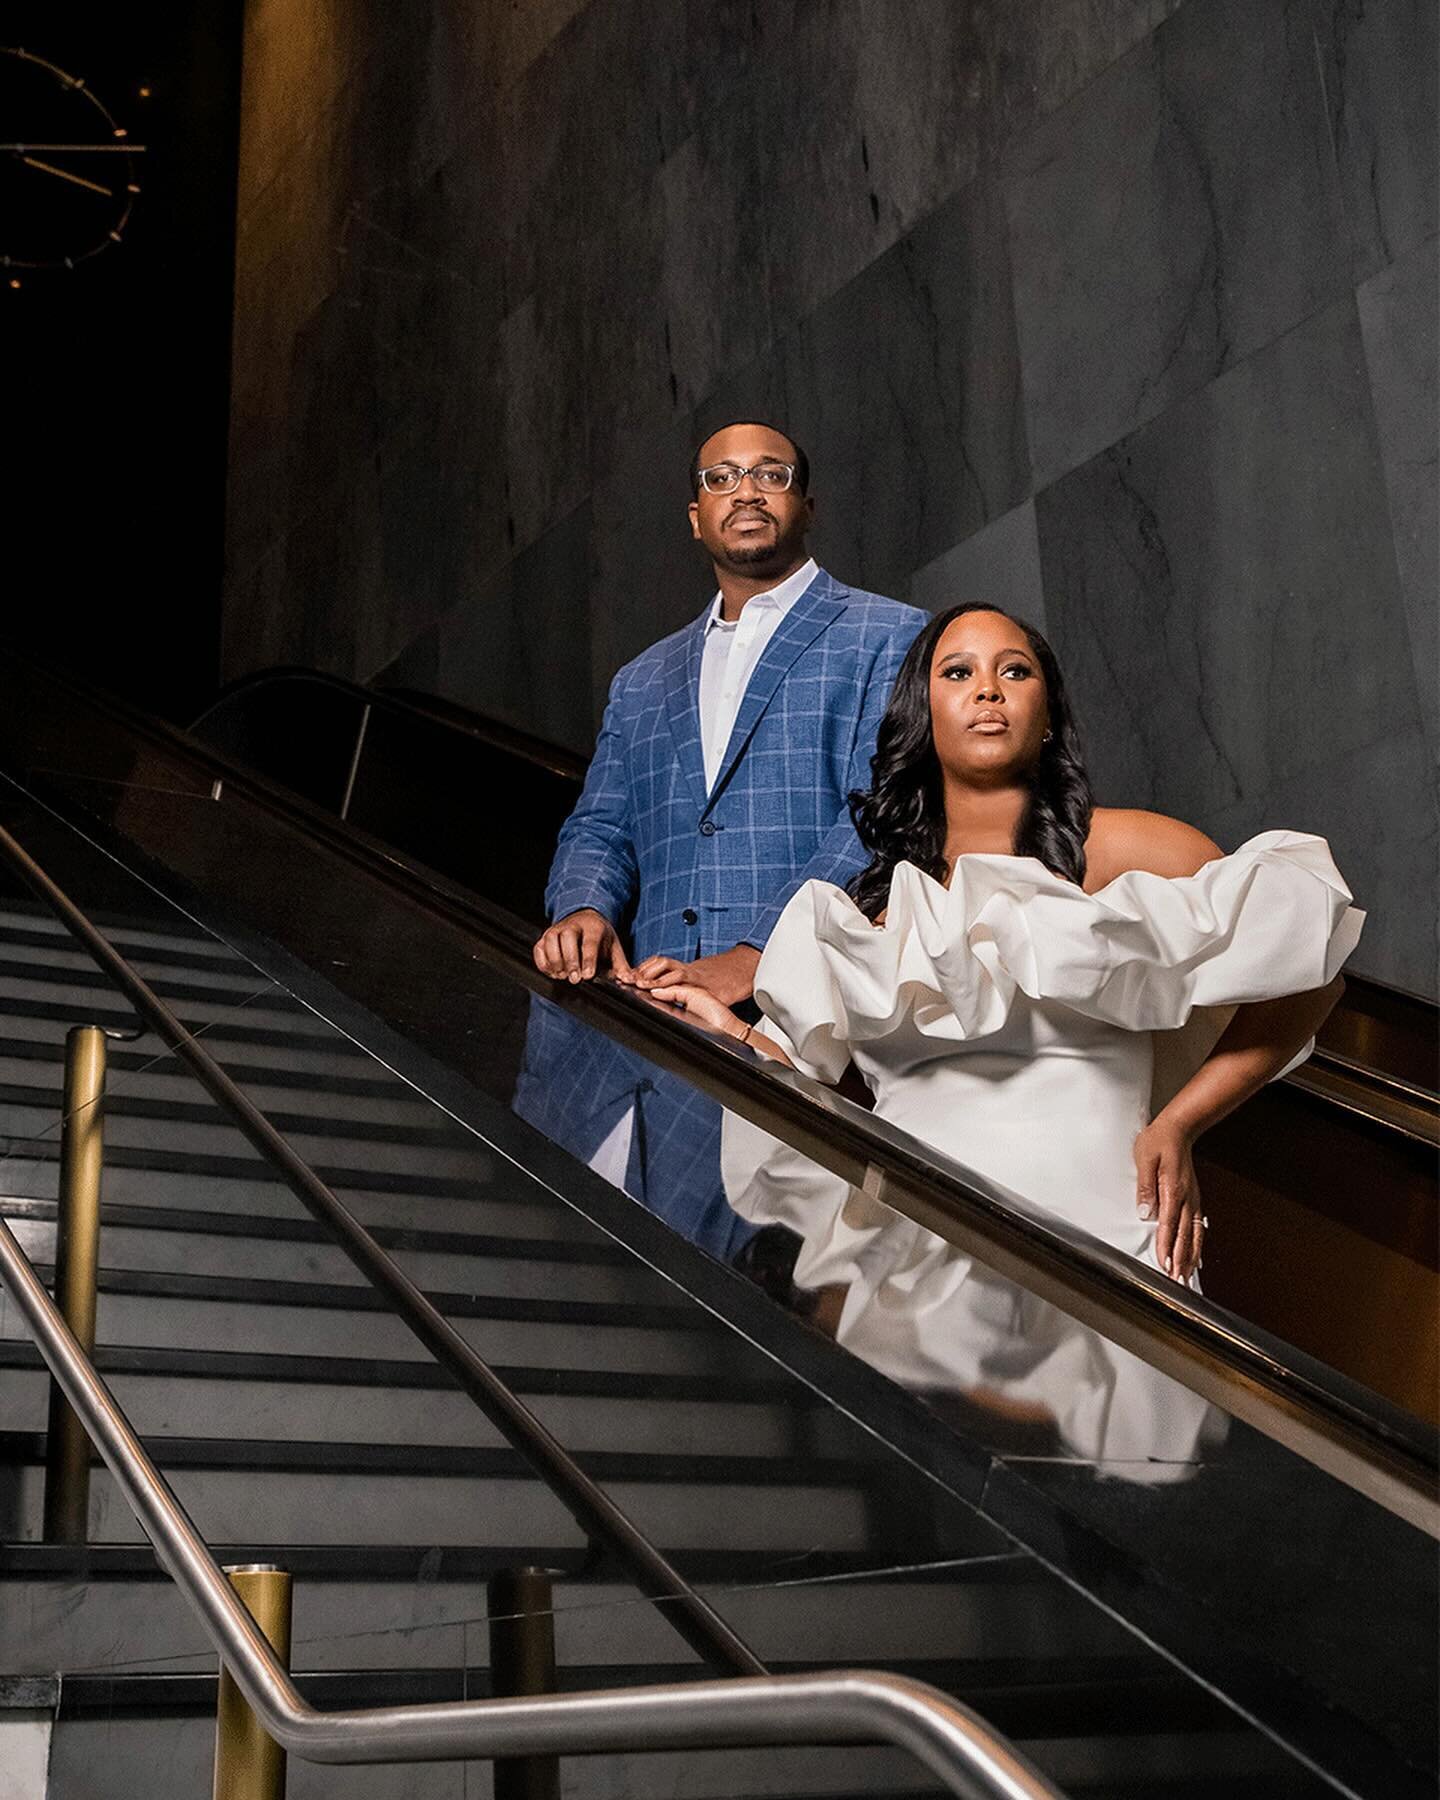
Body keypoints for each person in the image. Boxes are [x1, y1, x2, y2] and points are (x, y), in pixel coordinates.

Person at [646, 603, 1362, 1452]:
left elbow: (1311, 966)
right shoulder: (865, 915)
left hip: (1110, 1249)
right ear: (922, 710)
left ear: (1047, 710)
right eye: (958, 672)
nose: (988, 689)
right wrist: (724, 1034)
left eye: (1014, 670)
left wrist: (1180, 1122)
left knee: (1127, 1523)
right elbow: (805, 1100)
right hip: (919, 1272)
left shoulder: (1128, 851)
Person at [515, 421, 926, 1262]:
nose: (745, 489)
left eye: (769, 473)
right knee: (569, 1272)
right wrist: (585, 904)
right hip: (619, 1025)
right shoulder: (642, 679)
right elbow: (601, 821)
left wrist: (756, 957)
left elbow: (881, 812)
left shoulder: (892, 637)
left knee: (739, 1314)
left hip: (779, 1033)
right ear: (694, 517)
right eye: (721, 477)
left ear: (805, 504)